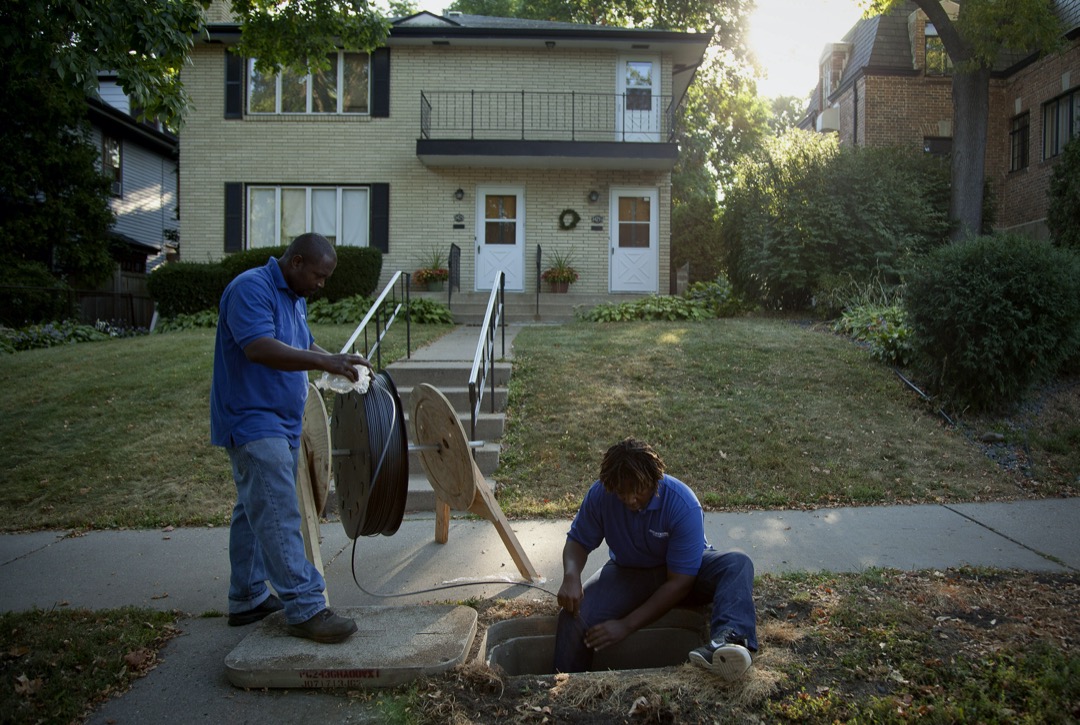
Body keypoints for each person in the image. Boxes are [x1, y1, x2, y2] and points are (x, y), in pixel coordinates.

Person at [210, 233, 370, 643]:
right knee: (281, 514)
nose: (321, 285)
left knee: (253, 508)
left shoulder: (293, 297)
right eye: (319, 275)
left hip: (281, 421)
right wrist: (322, 360)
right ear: (296, 262)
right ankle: (304, 606)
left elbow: (300, 345)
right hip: (252, 420)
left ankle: (246, 598)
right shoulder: (251, 288)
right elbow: (260, 348)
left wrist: (334, 359)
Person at [554, 437, 758, 680]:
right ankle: (565, 687)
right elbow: (578, 541)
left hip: (685, 572)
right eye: (622, 492)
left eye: (638, 490)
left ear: (654, 480)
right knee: (574, 616)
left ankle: (728, 643)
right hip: (628, 573)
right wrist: (571, 575)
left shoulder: (682, 503)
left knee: (737, 563)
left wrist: (626, 625)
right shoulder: (601, 494)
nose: (630, 499)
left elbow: (679, 582)